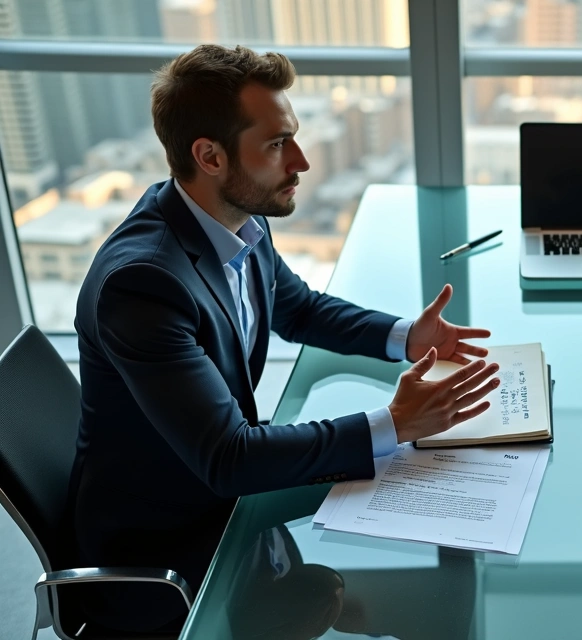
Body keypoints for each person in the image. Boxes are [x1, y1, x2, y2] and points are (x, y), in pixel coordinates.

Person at [70, 44, 499, 633]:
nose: (300, 161)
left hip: (236, 509)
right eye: (277, 144)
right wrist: (392, 424)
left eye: (293, 137)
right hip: (174, 554)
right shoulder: (142, 284)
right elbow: (230, 458)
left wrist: (406, 335)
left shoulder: (234, 216)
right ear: (209, 155)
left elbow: (296, 308)